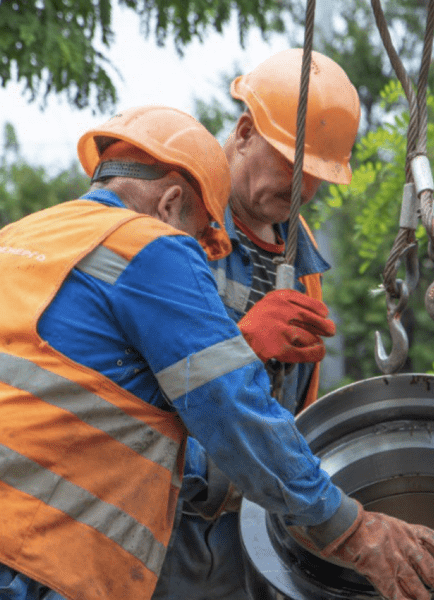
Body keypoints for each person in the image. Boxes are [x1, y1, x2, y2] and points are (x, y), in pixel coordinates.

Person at [0, 105, 434, 600]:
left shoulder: (22, 239)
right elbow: (229, 404)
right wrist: (349, 529)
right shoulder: (149, 243)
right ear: (169, 203)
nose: (200, 254)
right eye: (201, 235)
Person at [156, 49, 368, 600]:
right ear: (244, 132)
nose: (304, 191)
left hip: (243, 537)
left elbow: (288, 414)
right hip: (155, 524)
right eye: (290, 167)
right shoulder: (171, 219)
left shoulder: (303, 262)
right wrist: (242, 343)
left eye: (317, 176)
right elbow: (126, 379)